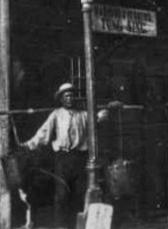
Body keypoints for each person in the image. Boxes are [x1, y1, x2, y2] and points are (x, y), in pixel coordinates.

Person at [24, 83, 120, 228]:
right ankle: (62, 226)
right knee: (61, 195)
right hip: (62, 160)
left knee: (79, 194)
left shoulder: (83, 115)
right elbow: (43, 133)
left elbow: (98, 117)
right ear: (61, 99)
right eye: (66, 96)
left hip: (79, 159)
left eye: (71, 96)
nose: (69, 99)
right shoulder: (56, 114)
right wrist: (28, 144)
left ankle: (77, 225)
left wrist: (110, 108)